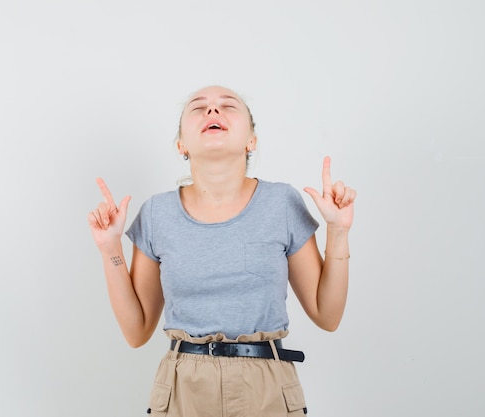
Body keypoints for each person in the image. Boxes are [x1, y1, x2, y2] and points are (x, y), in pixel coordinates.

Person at [88, 85, 357, 417]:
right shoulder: (157, 214)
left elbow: (327, 315)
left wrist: (338, 230)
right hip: (183, 390)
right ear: (181, 145)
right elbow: (136, 332)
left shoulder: (282, 203)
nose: (212, 111)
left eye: (228, 106)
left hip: (268, 389)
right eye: (198, 108)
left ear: (251, 140)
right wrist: (109, 248)